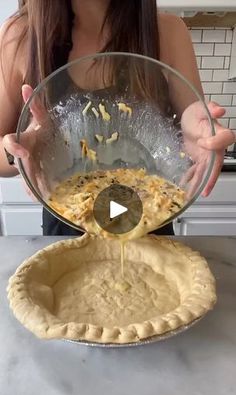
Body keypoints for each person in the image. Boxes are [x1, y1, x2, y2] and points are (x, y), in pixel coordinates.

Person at [0, 0, 235, 236]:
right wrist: (18, 151)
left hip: (150, 227)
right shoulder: (19, 36)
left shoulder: (169, 32)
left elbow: (194, 124)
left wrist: (201, 136)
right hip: (66, 231)